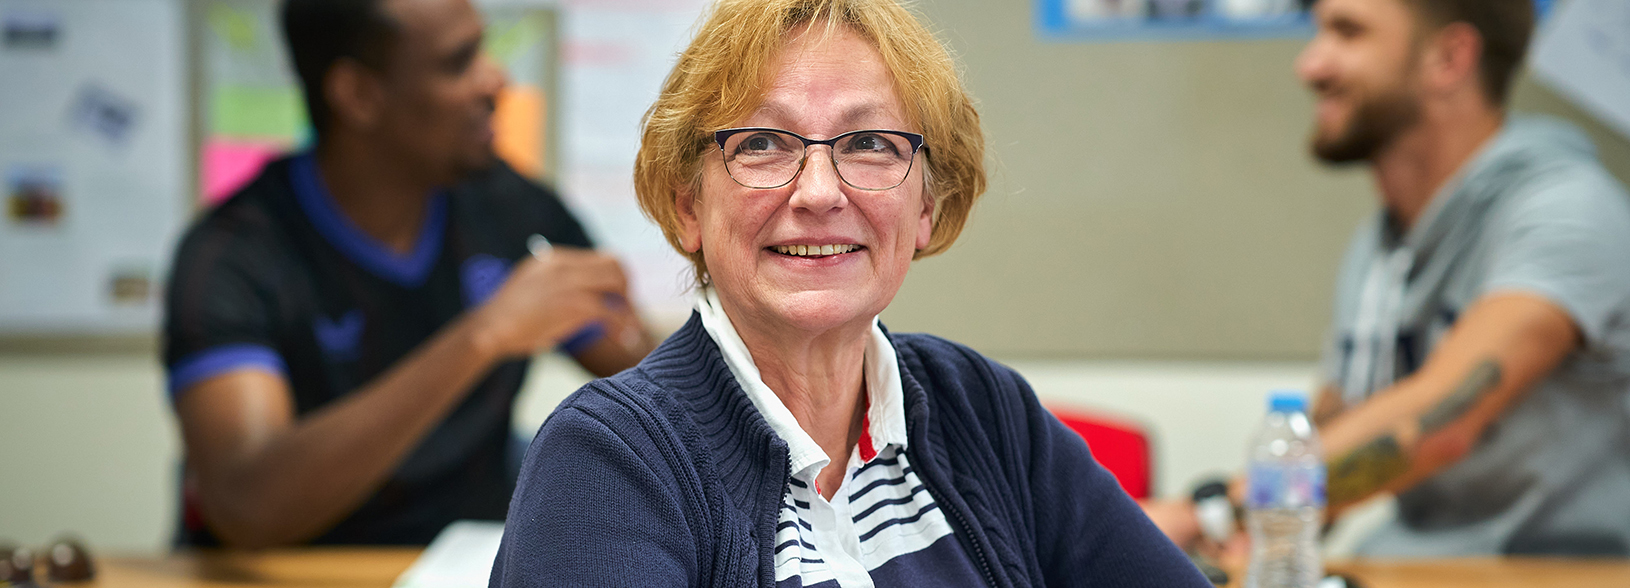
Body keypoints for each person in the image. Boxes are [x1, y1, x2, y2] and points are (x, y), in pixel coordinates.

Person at [489, 0, 1213, 586]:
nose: (819, 191)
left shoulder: (986, 411)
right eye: (762, 144)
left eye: (870, 145)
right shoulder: (609, 461)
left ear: (926, 208)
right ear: (687, 208)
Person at [162, 0, 654, 547]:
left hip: (467, 562)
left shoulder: (511, 208)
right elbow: (247, 506)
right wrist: (482, 337)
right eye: (458, 62)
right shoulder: (235, 255)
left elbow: (655, 377)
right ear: (358, 95)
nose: (495, 80)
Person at [1155, 0, 1630, 557]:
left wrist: (1208, 512)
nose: (1310, 66)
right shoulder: (1380, 245)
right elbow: (1332, 435)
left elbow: (1437, 424)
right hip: (1408, 563)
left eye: (1347, 33)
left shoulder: (1567, 212)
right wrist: (1247, 539)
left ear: (1449, 58)